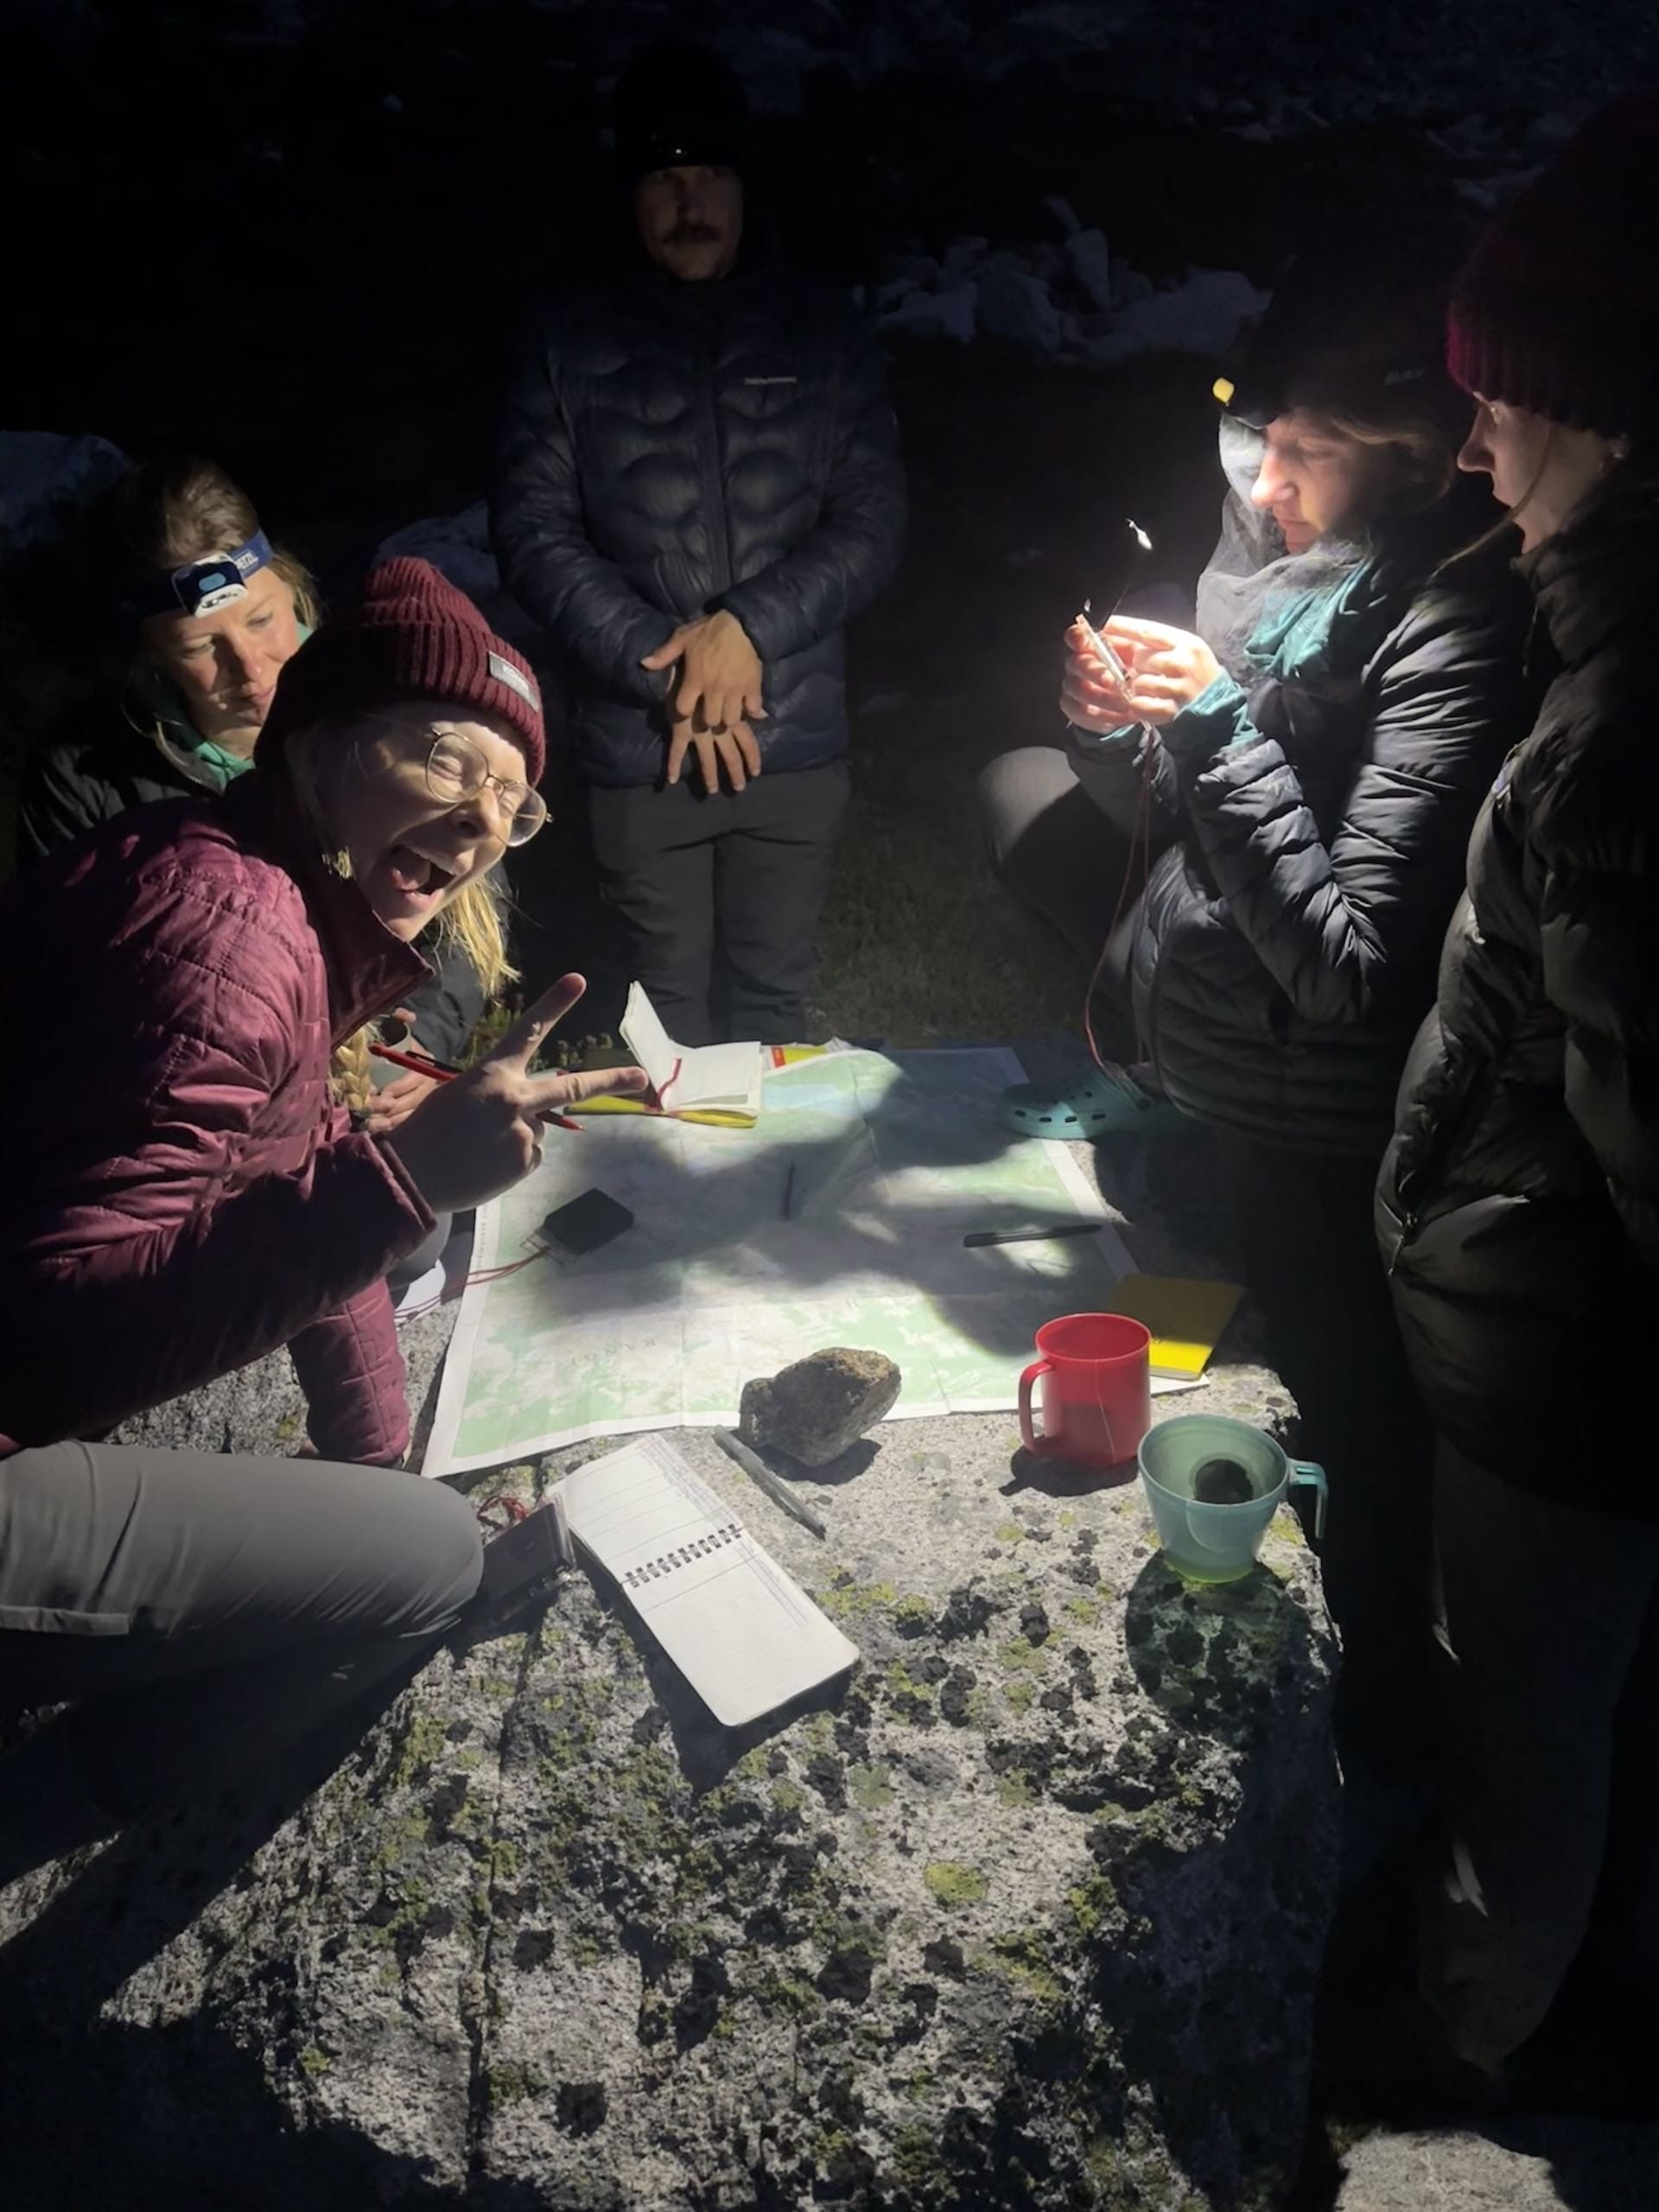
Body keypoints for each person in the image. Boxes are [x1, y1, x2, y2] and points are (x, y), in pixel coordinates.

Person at [981, 224, 1540, 1780]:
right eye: (1255, 442)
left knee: (1351, 1387)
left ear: (1411, 459)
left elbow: (1347, 970)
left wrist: (1216, 728)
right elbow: (1175, 820)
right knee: (1023, 785)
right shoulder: (1275, 562)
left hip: (1325, 1097)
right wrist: (1120, 728)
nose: (1264, 482)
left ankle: (1390, 1724)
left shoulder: (1454, 622)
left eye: (1305, 453)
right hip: (1227, 1023)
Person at [0, 558, 646, 1866]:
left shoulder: (246, 880)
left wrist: (374, 1453)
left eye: (512, 802)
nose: (479, 820)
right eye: (448, 761)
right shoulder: (236, 934)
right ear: (321, 742)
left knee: (395, 1513)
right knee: (428, 1562)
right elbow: (50, 1345)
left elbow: (299, 1156)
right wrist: (403, 1186)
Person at [1375, 96, 1659, 2092]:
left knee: (1524, 1732)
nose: (1473, 448)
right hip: (1558, 1340)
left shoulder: (1632, 742)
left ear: (1605, 409)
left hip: (1571, 1385)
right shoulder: (1604, 656)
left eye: (1501, 401)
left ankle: (1467, 2053)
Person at [491, 38, 906, 1047]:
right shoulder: (567, 340)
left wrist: (746, 631)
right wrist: (674, 667)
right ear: (629, 194)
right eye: (664, 178)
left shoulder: (821, 330)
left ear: (746, 186)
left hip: (790, 735)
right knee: (661, 1029)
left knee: (773, 1013)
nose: (691, 201)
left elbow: (872, 519)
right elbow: (532, 532)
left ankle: (775, 1162)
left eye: (711, 173)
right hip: (643, 743)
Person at [14, 456, 498, 1133]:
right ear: (149, 654)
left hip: (380, 1070)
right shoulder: (83, 777)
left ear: (292, 587)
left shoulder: (382, 703)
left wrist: (425, 1039)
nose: (250, 667)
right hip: (202, 1094)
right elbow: (66, 978)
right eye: (199, 648)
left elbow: (469, 887)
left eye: (264, 619)